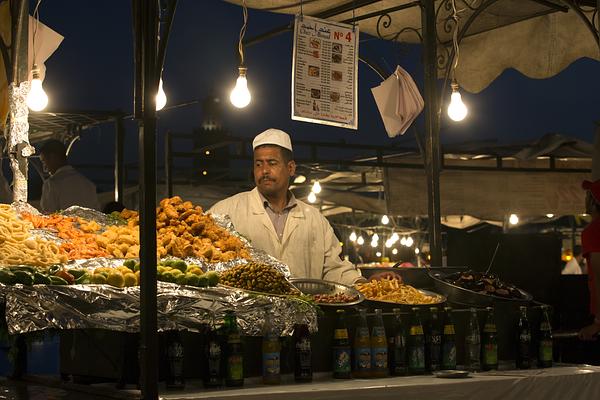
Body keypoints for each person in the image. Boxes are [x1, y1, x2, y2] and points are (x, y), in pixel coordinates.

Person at [209, 128, 365, 285]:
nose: (264, 171)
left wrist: (360, 283)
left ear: (291, 168)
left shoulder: (315, 220)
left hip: (303, 308)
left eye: (272, 163)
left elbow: (334, 268)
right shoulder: (225, 211)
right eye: (258, 164)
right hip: (245, 309)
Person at [38, 139, 100, 213]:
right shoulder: (88, 184)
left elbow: (47, 216)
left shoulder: (51, 184)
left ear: (53, 157)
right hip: (90, 224)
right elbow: (97, 212)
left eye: (44, 162)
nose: (44, 168)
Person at [579, 179, 600, 340]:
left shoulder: (593, 231)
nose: (585, 199)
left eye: (588, 195)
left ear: (594, 202)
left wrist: (598, 323)